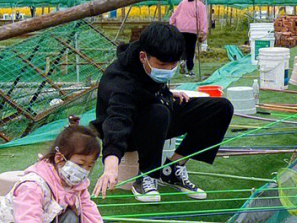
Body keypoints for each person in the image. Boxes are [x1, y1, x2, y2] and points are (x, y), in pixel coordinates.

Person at [92, 23, 233, 203]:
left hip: (154, 120)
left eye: (173, 64)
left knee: (221, 108)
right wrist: (111, 167)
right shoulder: (122, 80)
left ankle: (173, 168)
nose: (168, 70)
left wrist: (168, 93)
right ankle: (147, 175)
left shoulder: (149, 65)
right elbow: (116, 121)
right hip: (127, 134)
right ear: (143, 56)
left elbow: (148, 89)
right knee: (159, 111)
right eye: (162, 64)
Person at [169, 0, 209, 74]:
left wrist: (172, 24)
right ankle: (189, 69)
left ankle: (182, 60)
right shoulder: (200, 5)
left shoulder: (183, 2)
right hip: (192, 30)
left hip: (180, 29)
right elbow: (203, 19)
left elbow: (175, 15)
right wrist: (203, 32)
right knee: (190, 50)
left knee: (182, 47)